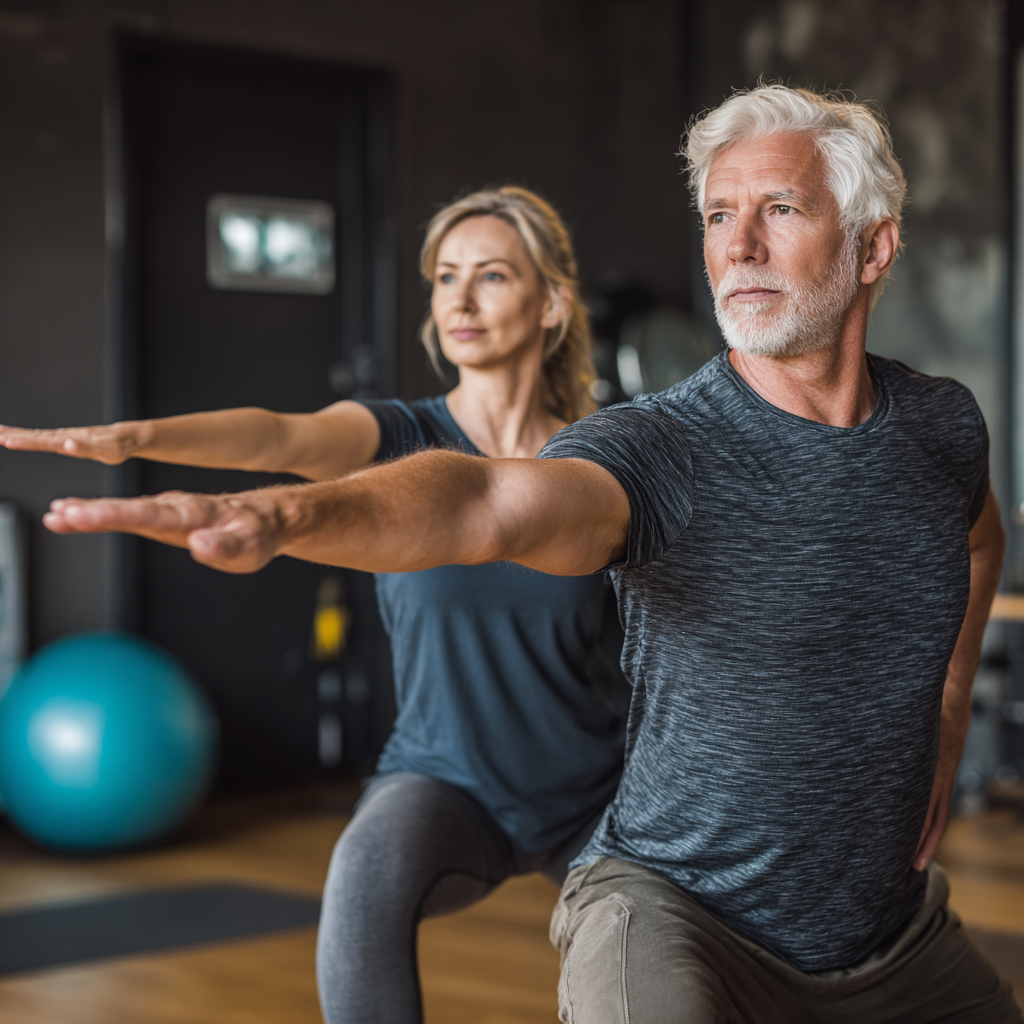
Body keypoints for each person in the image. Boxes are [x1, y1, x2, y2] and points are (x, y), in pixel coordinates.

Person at [24, 85, 1020, 1022]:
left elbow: (977, 539)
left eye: (780, 209)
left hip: (840, 906)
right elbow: (485, 500)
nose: (739, 246)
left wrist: (943, 712)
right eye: (717, 216)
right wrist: (280, 516)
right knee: (377, 890)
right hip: (615, 866)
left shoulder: (938, 426)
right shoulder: (646, 445)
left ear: (874, 245)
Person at [0, 187, 630, 1024]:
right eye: (445, 279)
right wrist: (141, 438)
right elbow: (279, 437)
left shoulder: (605, 457)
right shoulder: (401, 437)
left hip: (597, 787)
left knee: (657, 949)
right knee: (360, 885)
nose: (461, 301)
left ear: (552, 303)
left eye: (492, 276)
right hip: (445, 779)